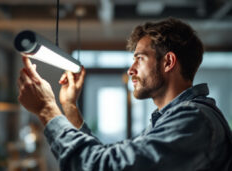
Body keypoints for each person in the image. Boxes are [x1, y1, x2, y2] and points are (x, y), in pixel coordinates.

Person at [17, 18, 231, 171]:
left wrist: (47, 109)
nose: (130, 70)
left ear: (168, 62)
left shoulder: (193, 120)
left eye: (140, 58)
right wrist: (70, 107)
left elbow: (104, 167)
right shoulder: (169, 120)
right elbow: (112, 159)